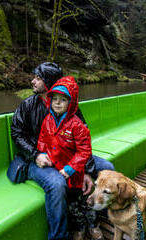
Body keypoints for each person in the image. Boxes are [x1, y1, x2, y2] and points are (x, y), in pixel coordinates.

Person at [10, 62, 114, 240]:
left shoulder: (71, 105)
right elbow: (17, 134)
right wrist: (35, 155)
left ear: (49, 82)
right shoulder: (27, 105)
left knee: (107, 167)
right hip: (39, 159)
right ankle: (60, 236)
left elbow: (83, 142)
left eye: (38, 78)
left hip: (68, 155)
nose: (32, 81)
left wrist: (87, 172)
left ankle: (94, 218)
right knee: (57, 184)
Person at [37, 76, 99, 240]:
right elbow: (43, 139)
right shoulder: (47, 121)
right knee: (71, 206)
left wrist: (71, 168)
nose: (57, 103)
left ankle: (94, 226)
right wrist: (42, 153)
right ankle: (80, 228)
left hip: (75, 174)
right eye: (54, 99)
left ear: (71, 103)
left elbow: (84, 151)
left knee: (86, 204)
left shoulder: (77, 125)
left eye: (63, 100)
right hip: (59, 173)